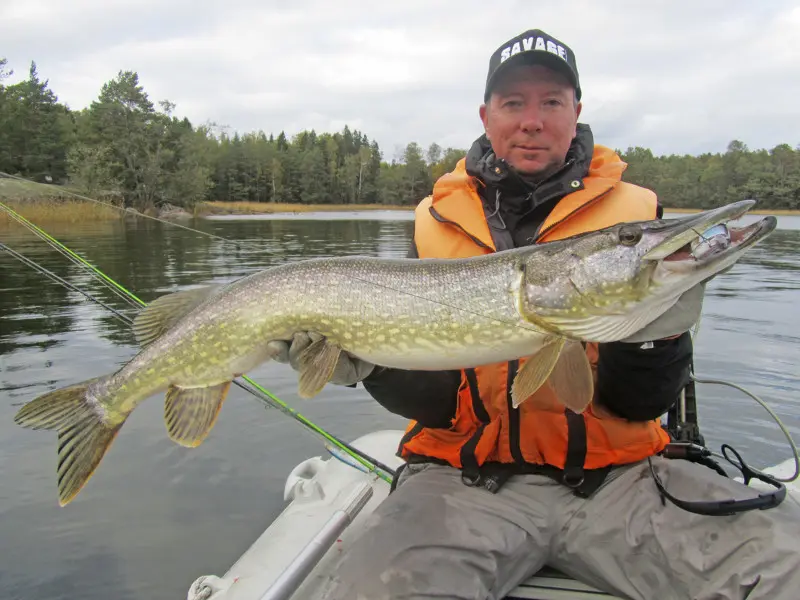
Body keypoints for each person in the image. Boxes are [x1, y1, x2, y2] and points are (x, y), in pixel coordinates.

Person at [270, 28, 800, 600]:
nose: (532, 119)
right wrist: (372, 367)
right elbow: (439, 405)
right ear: (486, 115)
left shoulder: (637, 211)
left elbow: (641, 406)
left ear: (576, 112)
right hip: (462, 484)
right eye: (513, 103)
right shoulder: (434, 220)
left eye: (551, 101)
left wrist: (657, 335)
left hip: (622, 485)